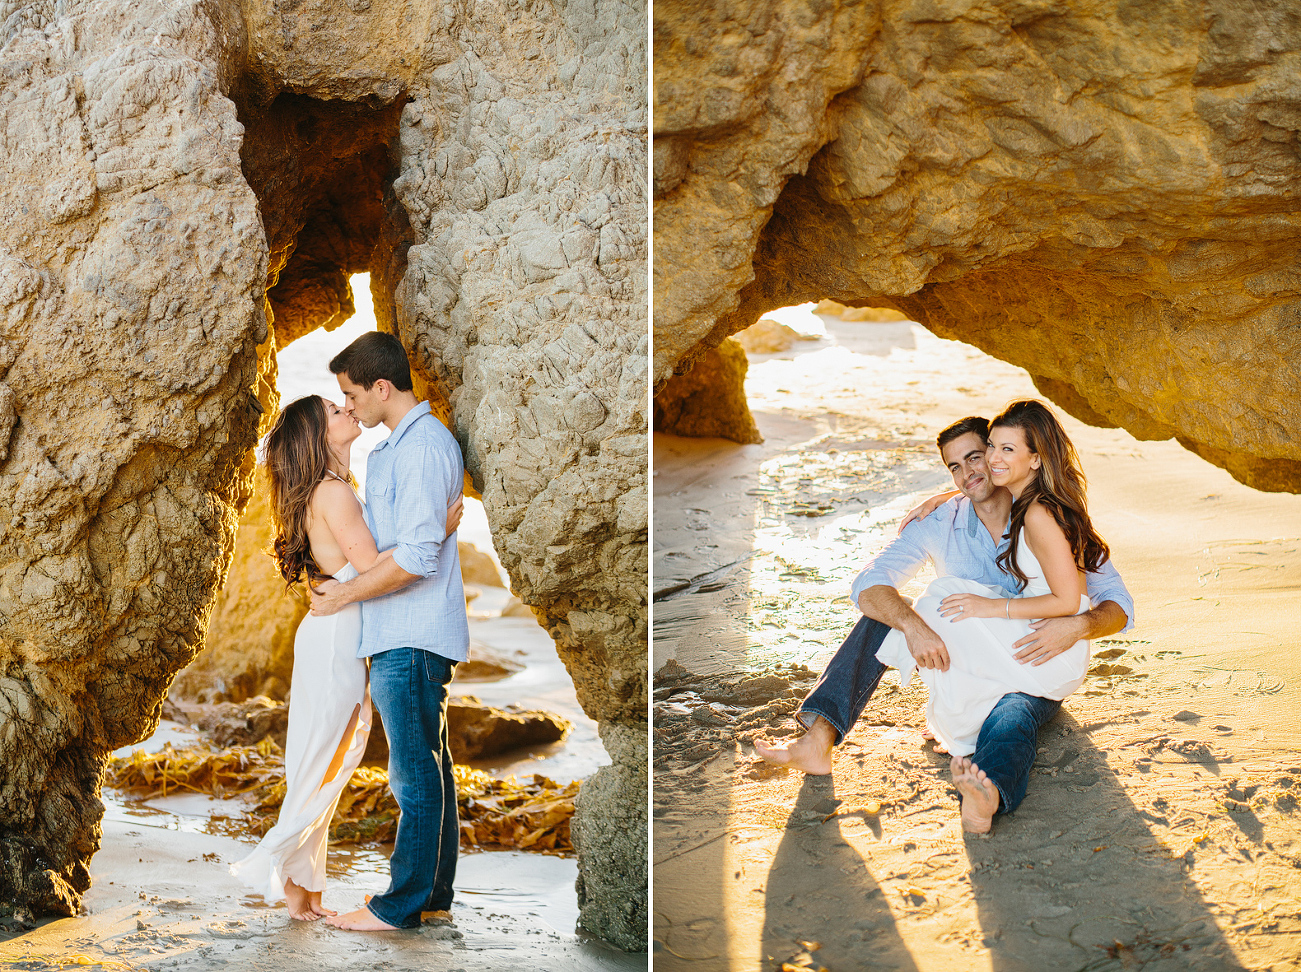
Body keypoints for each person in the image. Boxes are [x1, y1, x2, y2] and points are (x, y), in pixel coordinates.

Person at [754, 407, 1135, 833]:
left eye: (978, 456)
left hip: (1037, 655)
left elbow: (1116, 602)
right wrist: (914, 627)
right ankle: (819, 738)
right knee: (892, 613)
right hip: (977, 656)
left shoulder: (1044, 512)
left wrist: (1078, 625)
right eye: (955, 466)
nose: (972, 471)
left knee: (1013, 714)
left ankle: (990, 794)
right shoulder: (940, 521)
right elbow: (868, 585)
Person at [228, 394, 463, 920]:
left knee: (327, 758)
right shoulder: (333, 494)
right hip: (336, 638)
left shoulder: (332, 490)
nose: (348, 412)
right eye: (335, 411)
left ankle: (304, 895)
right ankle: (287, 879)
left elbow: (362, 566)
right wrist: (438, 531)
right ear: (317, 435)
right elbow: (371, 563)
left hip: (335, 632)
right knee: (324, 760)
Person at [309, 331, 471, 931]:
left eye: (352, 395)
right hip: (402, 630)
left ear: (382, 387)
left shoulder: (422, 447)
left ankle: (399, 906)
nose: (348, 406)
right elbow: (393, 543)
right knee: (432, 767)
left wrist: (345, 595)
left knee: (412, 774)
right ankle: (432, 897)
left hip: (411, 632)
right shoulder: (397, 449)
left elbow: (416, 558)